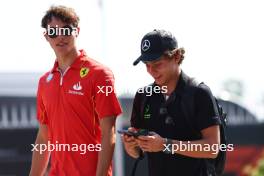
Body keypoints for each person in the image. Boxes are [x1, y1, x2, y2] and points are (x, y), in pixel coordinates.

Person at [29, 5, 122, 176]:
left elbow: (109, 134)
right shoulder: (44, 82)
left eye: (66, 30)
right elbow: (43, 138)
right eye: (53, 32)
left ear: (77, 31)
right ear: (46, 36)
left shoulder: (101, 74)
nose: (60, 37)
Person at [122, 29, 221, 176]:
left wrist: (166, 145)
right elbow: (137, 153)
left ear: (176, 56)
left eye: (157, 63)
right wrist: (131, 146)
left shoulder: (199, 93)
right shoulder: (143, 96)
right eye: (147, 64)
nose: (151, 71)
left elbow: (212, 149)